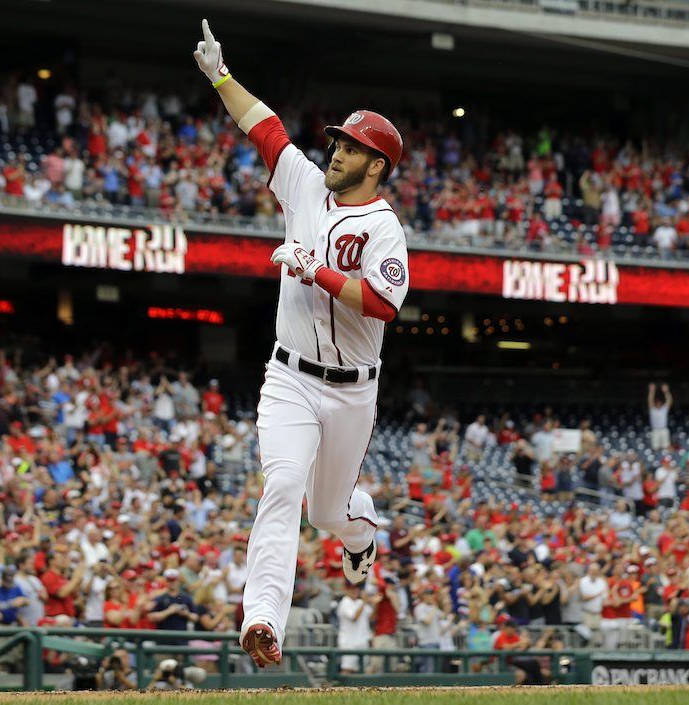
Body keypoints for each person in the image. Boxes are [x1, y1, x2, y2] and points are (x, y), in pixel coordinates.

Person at [192, 19, 408, 669]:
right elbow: (266, 129)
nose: (336, 151)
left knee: (327, 513)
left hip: (351, 392)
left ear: (377, 164)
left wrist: (317, 270)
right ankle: (261, 618)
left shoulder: (383, 227)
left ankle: (361, 531)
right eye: (337, 141)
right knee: (282, 484)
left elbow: (383, 303)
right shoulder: (307, 185)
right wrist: (221, 78)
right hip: (289, 376)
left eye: (350, 147)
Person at [336, 582, 374, 674]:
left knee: (363, 670)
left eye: (356, 588)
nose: (355, 591)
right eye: (352, 589)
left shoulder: (360, 602)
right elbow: (354, 617)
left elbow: (372, 617)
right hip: (349, 642)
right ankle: (340, 688)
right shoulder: (345, 602)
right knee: (347, 669)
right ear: (346, 590)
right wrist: (365, 601)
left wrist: (375, 603)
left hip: (362, 641)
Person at [648, 383, 673, 451]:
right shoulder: (653, 410)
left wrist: (666, 391)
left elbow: (669, 400)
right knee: (655, 448)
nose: (658, 404)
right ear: (655, 403)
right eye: (657, 402)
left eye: (660, 402)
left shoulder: (663, 409)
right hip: (655, 430)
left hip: (663, 429)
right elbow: (650, 400)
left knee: (666, 447)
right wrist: (652, 391)